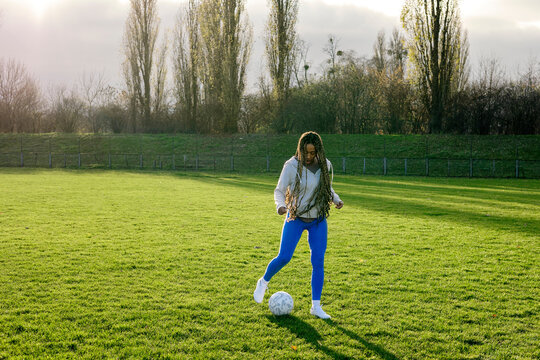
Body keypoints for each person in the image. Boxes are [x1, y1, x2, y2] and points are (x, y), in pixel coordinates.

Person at [253, 131, 344, 319]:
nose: (309, 156)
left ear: (318, 150)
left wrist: (336, 199)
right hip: (295, 217)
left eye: (313, 152)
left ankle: (316, 306)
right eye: (306, 152)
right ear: (300, 149)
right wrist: (280, 206)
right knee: (284, 257)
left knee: (318, 261)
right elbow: (279, 190)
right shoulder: (291, 165)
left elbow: (327, 188)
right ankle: (263, 281)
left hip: (318, 219)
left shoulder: (325, 165)